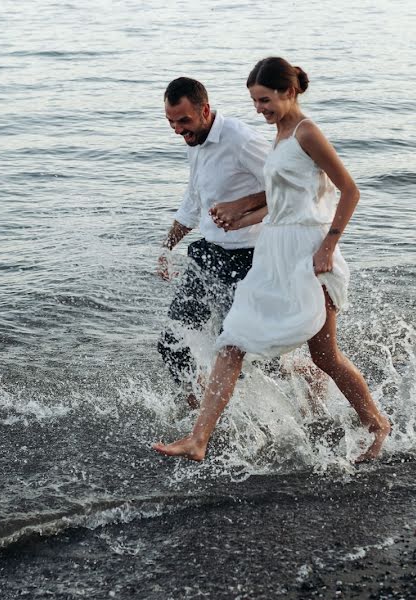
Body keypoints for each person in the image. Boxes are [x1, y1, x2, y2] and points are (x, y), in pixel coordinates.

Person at [154, 57, 391, 463]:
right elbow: (281, 203)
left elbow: (349, 191)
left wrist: (328, 247)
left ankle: (377, 423)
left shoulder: (305, 132)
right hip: (273, 252)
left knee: (325, 356)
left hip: (307, 254)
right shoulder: (280, 135)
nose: (258, 108)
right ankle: (199, 439)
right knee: (233, 340)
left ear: (289, 92)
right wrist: (240, 216)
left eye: (264, 100)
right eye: (254, 101)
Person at [157, 77, 270, 408]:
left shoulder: (242, 141)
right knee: (171, 343)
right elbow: (193, 201)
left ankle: (309, 382)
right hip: (208, 258)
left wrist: (242, 207)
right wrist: (166, 247)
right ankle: (201, 411)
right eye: (171, 122)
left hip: (249, 262)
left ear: (204, 110)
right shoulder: (196, 144)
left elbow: (290, 188)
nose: (178, 130)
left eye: (184, 120)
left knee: (249, 354)